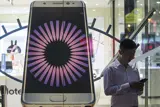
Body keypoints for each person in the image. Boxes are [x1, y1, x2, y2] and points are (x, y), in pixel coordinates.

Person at [103, 39, 144, 107]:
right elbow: (107, 91)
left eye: (133, 54)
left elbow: (138, 93)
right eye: (129, 54)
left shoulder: (134, 68)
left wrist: (140, 89)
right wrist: (128, 85)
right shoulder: (110, 69)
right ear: (120, 52)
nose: (132, 57)